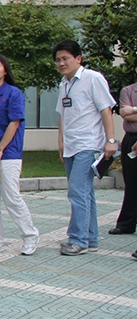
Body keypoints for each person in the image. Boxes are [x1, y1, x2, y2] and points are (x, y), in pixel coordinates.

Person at [53, 40, 118, 256]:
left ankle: (77, 240)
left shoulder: (93, 78)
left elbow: (105, 110)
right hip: (71, 145)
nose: (61, 63)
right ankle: (90, 238)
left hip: (87, 144)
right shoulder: (64, 84)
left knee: (76, 191)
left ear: (78, 59)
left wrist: (110, 140)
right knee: (85, 192)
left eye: (65, 58)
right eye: (58, 60)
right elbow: (63, 114)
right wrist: (61, 142)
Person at [0, 54, 39, 255]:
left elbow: (14, 122)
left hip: (8, 154)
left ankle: (30, 236)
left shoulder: (13, 93)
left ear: (5, 70)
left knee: (11, 197)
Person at [111, 74, 137, 236]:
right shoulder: (128, 91)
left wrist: (133, 109)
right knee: (131, 182)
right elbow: (124, 114)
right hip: (131, 138)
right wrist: (129, 113)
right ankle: (126, 223)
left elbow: (130, 112)